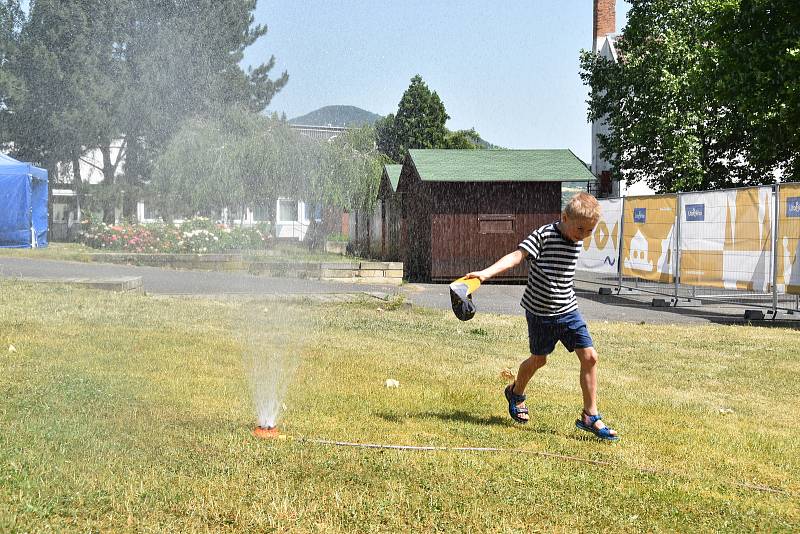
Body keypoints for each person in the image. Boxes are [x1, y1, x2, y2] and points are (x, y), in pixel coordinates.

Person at [464, 192, 619, 441]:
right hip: (539, 313)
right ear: (564, 217)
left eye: (590, 231)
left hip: (568, 309)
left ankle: (590, 416)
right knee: (539, 360)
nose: (583, 235)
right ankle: (515, 393)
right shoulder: (544, 235)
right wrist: (485, 273)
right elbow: (516, 257)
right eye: (580, 229)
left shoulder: (578, 233)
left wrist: (583, 231)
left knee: (590, 357)